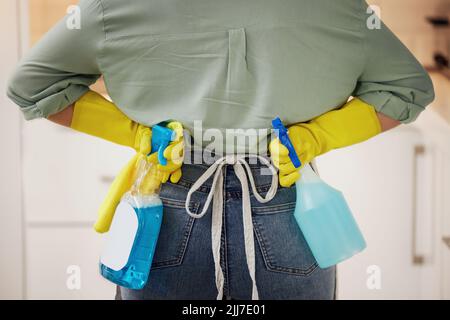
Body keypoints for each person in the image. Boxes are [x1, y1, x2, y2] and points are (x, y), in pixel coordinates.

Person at [7, 0, 434, 300]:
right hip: (288, 209)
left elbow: (32, 88)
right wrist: (316, 136)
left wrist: (138, 134)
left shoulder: (112, 6)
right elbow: (408, 90)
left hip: (168, 210)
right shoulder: (338, 7)